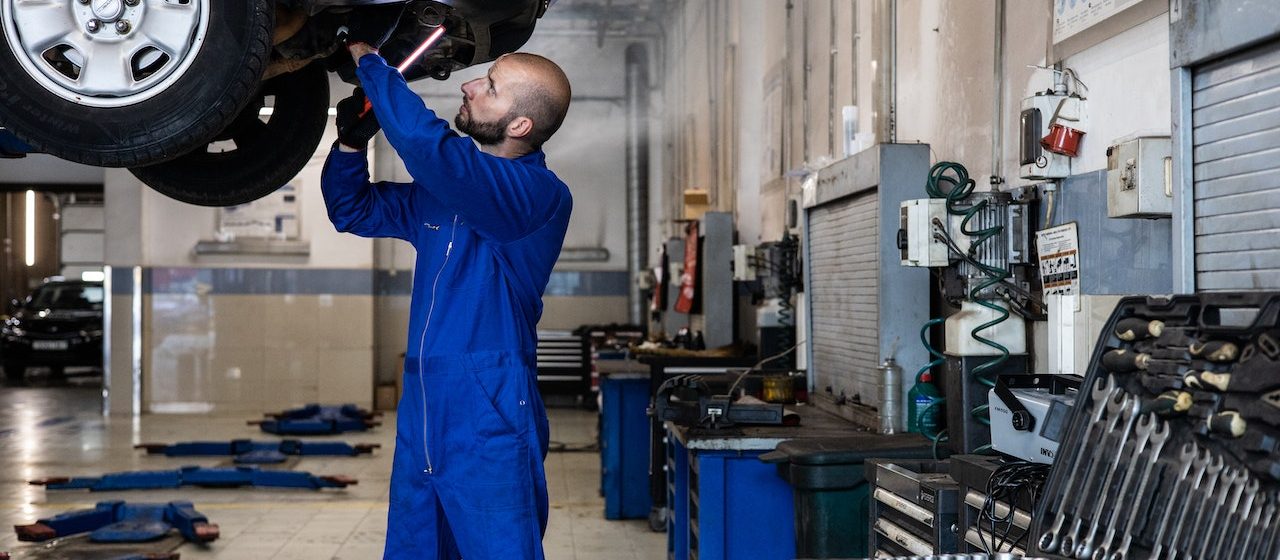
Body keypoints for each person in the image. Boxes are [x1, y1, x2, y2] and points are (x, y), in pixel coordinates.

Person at [320, 37, 573, 560]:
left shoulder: (538, 196)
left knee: (498, 550)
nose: (470, 83)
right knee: (417, 547)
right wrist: (349, 143)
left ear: (520, 124)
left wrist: (373, 66)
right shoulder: (445, 194)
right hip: (424, 405)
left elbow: (432, 150)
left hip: (489, 405)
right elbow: (353, 209)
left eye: (490, 86)